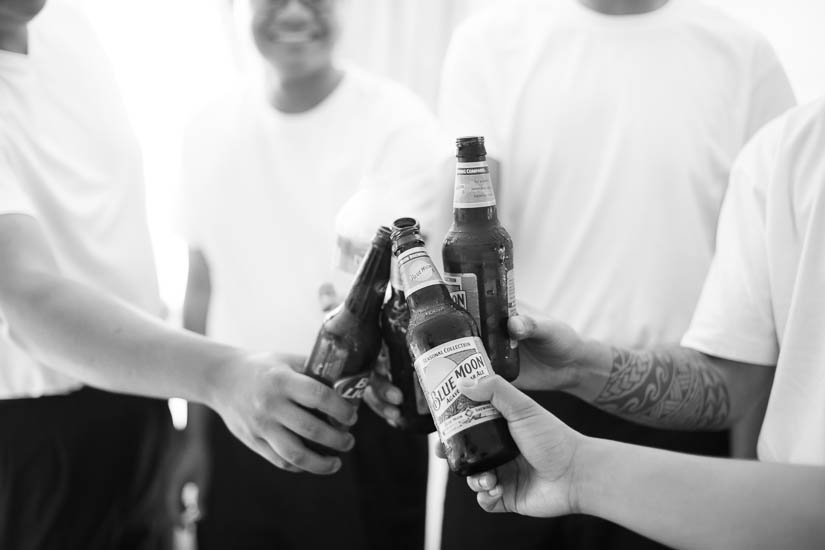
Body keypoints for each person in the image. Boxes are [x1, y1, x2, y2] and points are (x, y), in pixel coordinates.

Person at [423, 0, 797, 547]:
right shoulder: (491, 40)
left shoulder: (745, 56)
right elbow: (461, 240)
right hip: (515, 400)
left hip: (682, 410)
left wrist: (754, 469)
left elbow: (774, 288)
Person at [0, 1, 355, 548]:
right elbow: (28, 299)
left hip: (141, 396)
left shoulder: (66, 25)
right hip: (35, 439)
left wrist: (182, 422)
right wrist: (221, 375)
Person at [174, 0, 447, 548]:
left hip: (360, 422)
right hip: (238, 413)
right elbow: (201, 283)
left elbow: (423, 283)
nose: (295, 12)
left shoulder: (396, 120)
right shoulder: (206, 128)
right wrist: (195, 434)